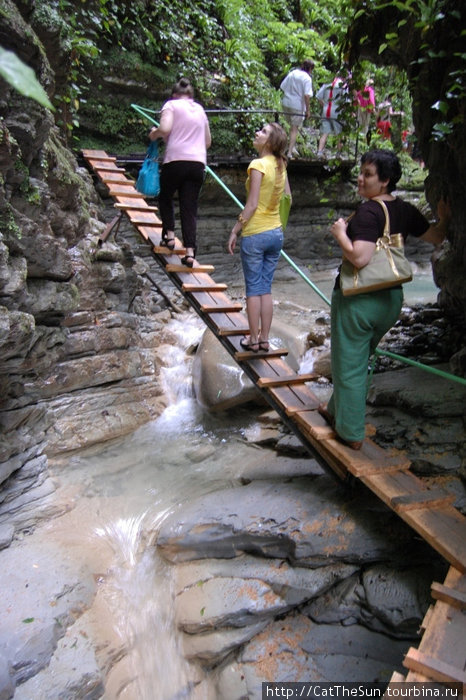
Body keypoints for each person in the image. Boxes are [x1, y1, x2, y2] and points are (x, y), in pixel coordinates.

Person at [319, 149, 450, 450]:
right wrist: (444, 217)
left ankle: (350, 434)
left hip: (359, 301)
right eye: (361, 172)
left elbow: (360, 257)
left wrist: (340, 233)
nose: (360, 179)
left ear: (385, 180)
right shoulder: (404, 210)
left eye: (368, 174)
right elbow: (438, 237)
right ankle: (334, 410)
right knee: (356, 359)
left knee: (349, 365)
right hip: (390, 301)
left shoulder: (368, 212)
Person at [227, 123, 291, 352]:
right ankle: (264, 338)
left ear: (271, 142)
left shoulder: (258, 165)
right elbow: (287, 197)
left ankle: (252, 339)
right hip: (276, 233)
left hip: (256, 233)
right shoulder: (281, 164)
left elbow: (252, 205)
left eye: (263, 132)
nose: (257, 133)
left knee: (253, 288)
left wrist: (235, 230)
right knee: (266, 287)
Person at [149, 77, 211, 267]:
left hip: (176, 160)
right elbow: (207, 141)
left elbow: (165, 128)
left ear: (174, 95)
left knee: (166, 196)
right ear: (190, 96)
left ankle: (169, 236)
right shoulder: (200, 110)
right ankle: (190, 252)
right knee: (189, 208)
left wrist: (155, 133)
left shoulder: (171, 105)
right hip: (197, 163)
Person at [280, 59, 315, 159]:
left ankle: (291, 147)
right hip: (297, 106)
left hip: (286, 103)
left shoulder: (293, 73)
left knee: (290, 126)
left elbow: (283, 86)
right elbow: (307, 95)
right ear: (310, 69)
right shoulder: (307, 78)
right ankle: (289, 152)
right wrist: (308, 110)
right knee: (294, 128)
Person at [316, 75, 349, 157]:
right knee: (339, 134)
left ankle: (319, 152)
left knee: (324, 133)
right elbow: (346, 102)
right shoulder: (343, 86)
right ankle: (338, 154)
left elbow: (318, 97)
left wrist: (324, 105)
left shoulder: (327, 83)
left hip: (326, 111)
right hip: (337, 112)